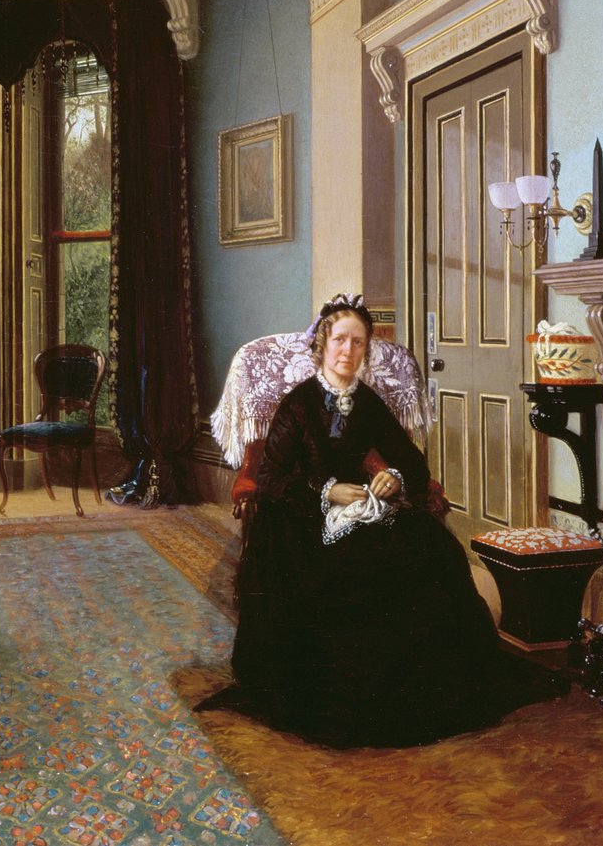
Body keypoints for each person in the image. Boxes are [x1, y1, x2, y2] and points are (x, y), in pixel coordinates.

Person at [198, 293, 567, 747]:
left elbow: (412, 463)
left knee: (431, 548)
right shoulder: (298, 404)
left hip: (359, 505)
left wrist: (394, 477)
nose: (348, 351)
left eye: (358, 343)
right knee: (342, 569)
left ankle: (417, 686)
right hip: (298, 514)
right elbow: (271, 479)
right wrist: (325, 490)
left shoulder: (367, 402)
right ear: (322, 345)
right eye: (340, 340)